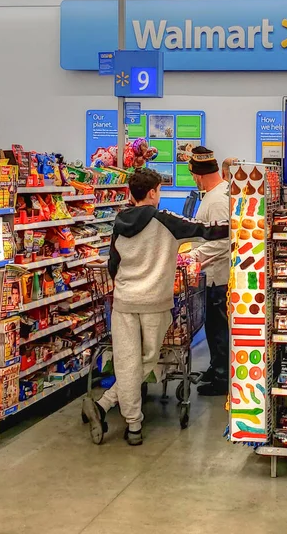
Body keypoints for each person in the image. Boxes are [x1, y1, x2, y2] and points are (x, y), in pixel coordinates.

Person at [82, 168, 229, 446]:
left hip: (124, 302)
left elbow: (113, 263)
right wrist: (240, 222)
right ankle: (109, 409)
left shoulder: (119, 222)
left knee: (127, 362)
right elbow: (206, 231)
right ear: (152, 193)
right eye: (159, 190)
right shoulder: (165, 220)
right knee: (148, 360)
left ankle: (124, 419)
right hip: (155, 303)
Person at [187, 147, 230, 396]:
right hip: (214, 274)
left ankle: (222, 378)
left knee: (218, 328)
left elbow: (222, 242)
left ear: (198, 175)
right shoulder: (218, 193)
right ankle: (217, 368)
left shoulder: (216, 200)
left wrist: (192, 257)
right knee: (214, 327)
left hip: (218, 276)